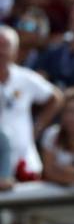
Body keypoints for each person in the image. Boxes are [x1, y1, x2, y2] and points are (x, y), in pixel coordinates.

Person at [0, 26, 61, 179]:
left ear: (15, 51)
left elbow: (55, 97)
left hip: (25, 161)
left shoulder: (25, 78)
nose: (1, 52)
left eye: (5, 46)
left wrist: (38, 127)